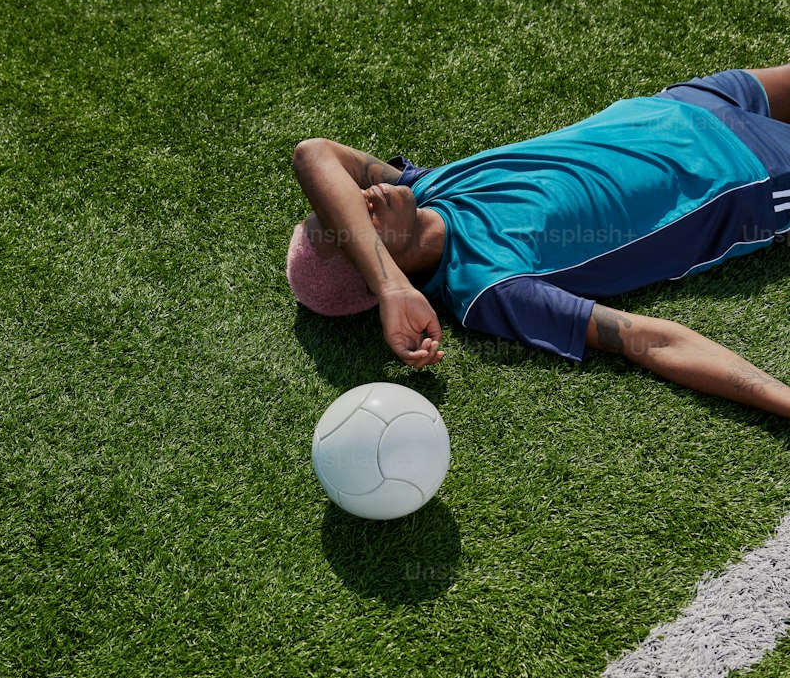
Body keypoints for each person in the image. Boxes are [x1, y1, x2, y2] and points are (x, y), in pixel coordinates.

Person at [288, 66, 790, 416]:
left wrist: (390, 285)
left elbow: (313, 153)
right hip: (744, 176)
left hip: (683, 105)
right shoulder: (489, 287)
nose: (366, 197)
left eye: (347, 203)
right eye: (358, 223)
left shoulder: (425, 187)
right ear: (375, 264)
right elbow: (651, 341)